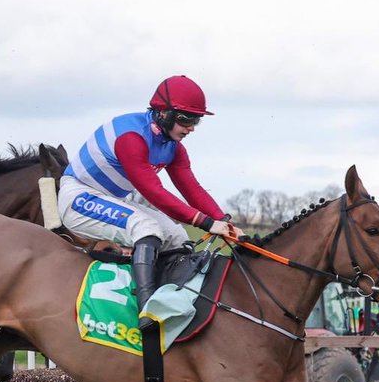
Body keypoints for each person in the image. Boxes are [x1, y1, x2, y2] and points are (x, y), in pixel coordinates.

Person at [58, 75, 244, 326]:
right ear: (163, 114)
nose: (191, 127)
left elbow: (191, 187)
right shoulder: (131, 137)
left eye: (196, 121)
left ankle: (174, 297)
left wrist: (224, 222)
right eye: (186, 119)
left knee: (176, 235)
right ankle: (146, 309)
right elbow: (152, 191)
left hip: (111, 198)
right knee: (147, 228)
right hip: (78, 196)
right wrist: (206, 223)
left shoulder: (173, 146)